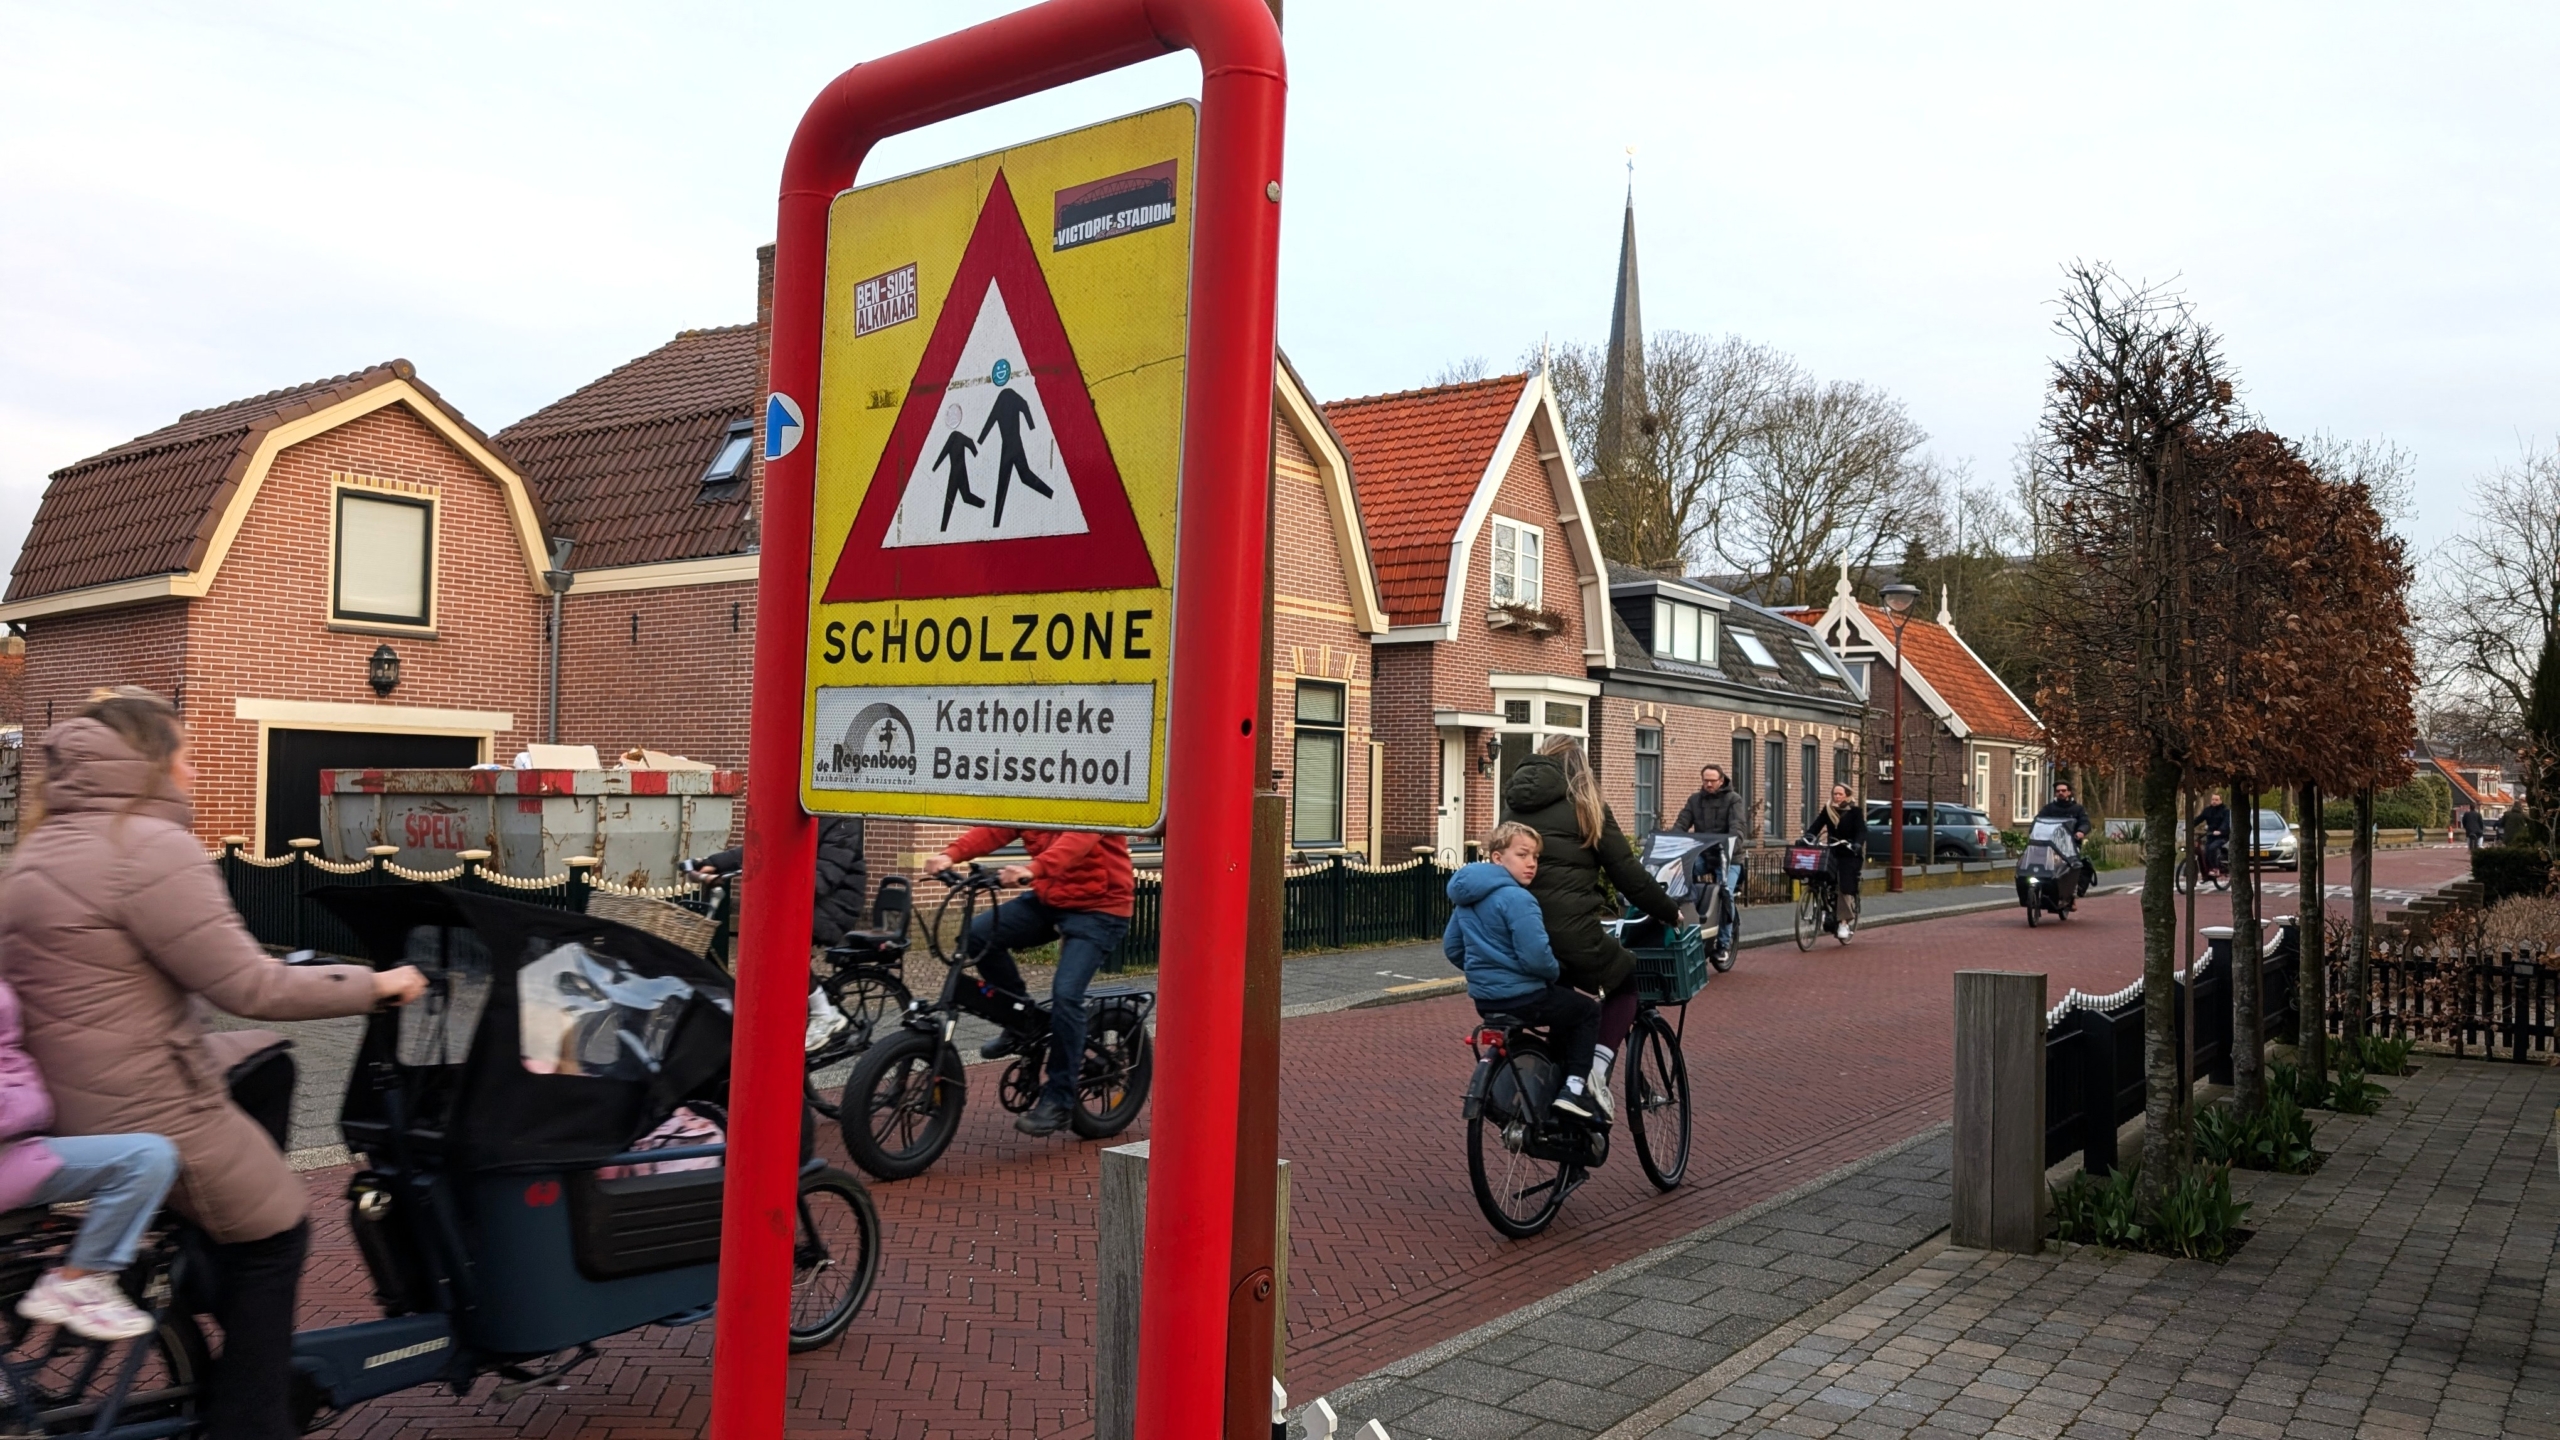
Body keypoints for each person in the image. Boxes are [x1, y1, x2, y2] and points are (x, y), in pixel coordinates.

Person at [0, 688, 426, 1440]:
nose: (194, 774)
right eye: (188, 757)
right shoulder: (148, 846)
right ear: (151, 761)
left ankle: (200, 1252)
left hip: (68, 1095)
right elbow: (250, 986)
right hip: (143, 1100)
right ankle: (252, 1417)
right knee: (281, 1228)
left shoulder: (39, 847)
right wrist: (376, 984)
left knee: (269, 1063)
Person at [1503, 736, 1682, 1122]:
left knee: (1563, 1008)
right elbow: (1629, 875)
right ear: (1579, 767)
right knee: (1627, 979)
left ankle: (1555, 1101)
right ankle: (1593, 1079)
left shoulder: (1514, 805)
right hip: (1571, 933)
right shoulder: (1586, 805)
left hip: (1519, 934)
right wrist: (1669, 911)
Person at [0, 969, 178, 1341]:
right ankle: (79, 1279)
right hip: (11, 1154)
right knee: (147, 1159)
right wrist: (26, 1106)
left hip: (20, 1146)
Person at [924, 827, 1133, 1137]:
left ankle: (1059, 1100)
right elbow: (997, 828)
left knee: (1066, 994)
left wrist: (1032, 869)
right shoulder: (1039, 790)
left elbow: (1078, 839)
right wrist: (949, 854)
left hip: (1100, 907)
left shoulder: (1092, 791)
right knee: (978, 935)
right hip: (1050, 898)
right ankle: (1022, 1019)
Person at [1442, 823, 1600, 1120]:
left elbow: (1453, 949)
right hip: (1525, 996)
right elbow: (1536, 957)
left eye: (1536, 857)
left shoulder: (1468, 898)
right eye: (1523, 854)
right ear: (1498, 858)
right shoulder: (1518, 898)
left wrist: (1486, 971)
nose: (1531, 863)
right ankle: (1574, 1090)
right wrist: (1553, 972)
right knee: (1587, 1011)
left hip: (1485, 1001)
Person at [689, 817, 869, 1051]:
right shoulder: (799, 816)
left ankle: (825, 1014)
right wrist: (714, 863)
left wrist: (771, 881)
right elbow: (762, 849)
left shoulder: (844, 820)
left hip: (835, 902)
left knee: (783, 945)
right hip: (800, 893)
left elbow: (824, 876)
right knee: (764, 949)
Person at [1672, 765, 1747, 955]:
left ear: (1721, 781)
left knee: (1726, 892)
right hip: (1705, 855)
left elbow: (1737, 827)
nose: (1708, 784)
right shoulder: (1695, 800)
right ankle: (1693, 916)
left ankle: (1724, 943)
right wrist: (1672, 841)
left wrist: (1731, 846)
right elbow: (1682, 823)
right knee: (1680, 875)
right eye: (1705, 780)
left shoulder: (1733, 800)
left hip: (1729, 857)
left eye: (1712, 781)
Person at [1802, 783, 1867, 943]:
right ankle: (1823, 908)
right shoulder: (1828, 810)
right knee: (1819, 875)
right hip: (1832, 851)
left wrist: (1857, 844)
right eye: (1835, 794)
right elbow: (1817, 826)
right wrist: (1808, 837)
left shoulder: (1855, 812)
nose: (1837, 797)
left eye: (1840, 794)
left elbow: (1861, 830)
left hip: (1849, 853)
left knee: (1844, 884)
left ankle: (1844, 923)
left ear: (1846, 795)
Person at [2035, 781, 2096, 896]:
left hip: (2071, 844)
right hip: (2051, 844)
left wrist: (2080, 832)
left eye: (2063, 791)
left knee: (2072, 867)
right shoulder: (2048, 809)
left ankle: (2071, 895)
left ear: (2069, 792)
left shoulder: (2077, 809)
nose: (2060, 793)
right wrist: (2034, 832)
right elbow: (2038, 821)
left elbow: (2085, 822)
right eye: (2058, 791)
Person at [2198, 791, 2233, 876]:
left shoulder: (2225, 811)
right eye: (2213, 799)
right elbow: (2199, 818)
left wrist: (2220, 830)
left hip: (2222, 836)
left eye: (2216, 800)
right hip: (2211, 835)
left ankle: (2215, 868)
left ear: (2221, 801)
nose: (2214, 801)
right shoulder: (2208, 810)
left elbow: (2226, 822)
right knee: (2205, 851)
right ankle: (2208, 870)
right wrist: (2189, 826)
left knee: (2212, 848)